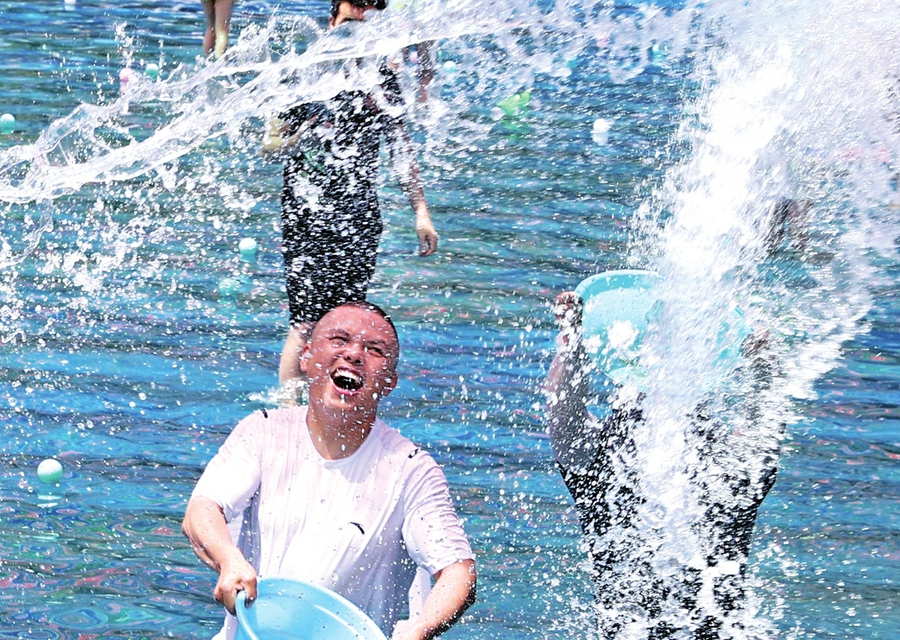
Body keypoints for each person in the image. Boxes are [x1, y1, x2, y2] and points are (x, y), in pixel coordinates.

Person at [183, 301, 476, 640]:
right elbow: (201, 511)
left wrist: (420, 628)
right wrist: (229, 559)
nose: (353, 354)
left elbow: (458, 570)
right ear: (305, 357)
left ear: (391, 382)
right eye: (339, 340)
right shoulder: (262, 432)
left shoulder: (411, 470)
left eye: (374, 349)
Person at [544, 288, 783, 639]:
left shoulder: (722, 455)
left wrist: (764, 366)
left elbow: (764, 434)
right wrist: (571, 341)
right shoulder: (605, 451)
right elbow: (564, 412)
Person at [263, 0, 438, 403]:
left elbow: (400, 148)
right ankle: (289, 414)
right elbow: (269, 146)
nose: (355, 31)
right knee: (306, 323)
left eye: (365, 23)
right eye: (348, 20)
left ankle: (329, 407)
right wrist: (305, 132)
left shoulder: (382, 82)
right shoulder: (302, 75)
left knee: (346, 322)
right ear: (330, 21)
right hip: (306, 214)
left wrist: (420, 210)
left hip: (358, 218)